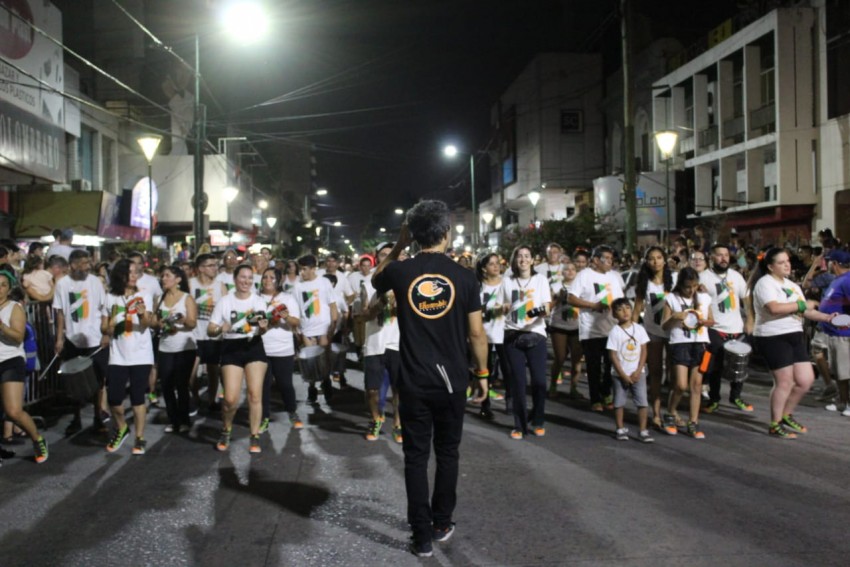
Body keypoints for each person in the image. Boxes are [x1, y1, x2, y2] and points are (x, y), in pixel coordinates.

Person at [373, 200, 488, 558]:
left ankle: (420, 535)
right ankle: (441, 522)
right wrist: (482, 374)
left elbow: (377, 276)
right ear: (445, 233)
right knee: (448, 452)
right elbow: (476, 333)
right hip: (452, 379)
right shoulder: (465, 276)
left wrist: (399, 243)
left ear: (415, 233)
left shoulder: (401, 272)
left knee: (415, 457)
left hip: (413, 378)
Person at [750, 248, 837, 438]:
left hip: (794, 334)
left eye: (787, 261)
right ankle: (775, 423)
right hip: (772, 336)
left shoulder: (792, 285)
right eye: (781, 262)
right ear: (771, 267)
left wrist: (828, 317)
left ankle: (786, 415)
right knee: (785, 382)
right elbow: (774, 308)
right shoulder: (765, 283)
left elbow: (806, 311)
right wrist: (801, 305)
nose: (787, 265)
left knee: (805, 380)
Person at [207, 264, 270, 453]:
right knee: (230, 399)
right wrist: (220, 329)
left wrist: (264, 326)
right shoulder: (224, 302)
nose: (246, 281)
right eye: (243, 277)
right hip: (231, 348)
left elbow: (263, 327)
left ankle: (254, 435)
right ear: (235, 279)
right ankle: (226, 429)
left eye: (250, 278)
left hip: (254, 346)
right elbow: (210, 330)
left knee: (255, 394)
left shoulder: (258, 301)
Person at [101, 259, 155, 455]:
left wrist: (142, 315)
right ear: (120, 276)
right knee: (114, 399)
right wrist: (110, 326)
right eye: (129, 273)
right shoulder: (110, 298)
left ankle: (139, 438)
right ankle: (122, 427)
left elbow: (148, 323)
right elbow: (104, 327)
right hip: (118, 355)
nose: (133, 276)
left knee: (137, 398)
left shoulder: (144, 295)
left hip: (141, 354)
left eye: (135, 272)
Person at [54, 249, 110, 435]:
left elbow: (104, 310)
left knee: (98, 380)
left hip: (94, 339)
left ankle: (97, 416)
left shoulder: (95, 282)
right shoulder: (62, 284)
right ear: (73, 265)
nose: (87, 267)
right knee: (74, 381)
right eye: (83, 263)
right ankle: (76, 417)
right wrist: (60, 338)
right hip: (73, 338)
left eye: (88, 263)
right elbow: (60, 312)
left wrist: (105, 334)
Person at [501, 245, 552, 438]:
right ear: (514, 261)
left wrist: (532, 313)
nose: (523, 259)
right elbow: (500, 306)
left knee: (539, 382)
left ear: (532, 260)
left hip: (535, 334)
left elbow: (546, 308)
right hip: (512, 335)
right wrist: (504, 307)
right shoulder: (507, 282)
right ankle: (519, 425)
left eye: (526, 256)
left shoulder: (540, 281)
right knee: (518, 383)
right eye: (519, 256)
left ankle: (538, 419)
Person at [568, 245, 625, 411]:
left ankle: (606, 392)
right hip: (590, 330)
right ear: (594, 260)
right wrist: (593, 305)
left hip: (612, 328)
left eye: (610, 259)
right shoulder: (584, 275)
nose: (609, 262)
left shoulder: (614, 277)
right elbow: (571, 298)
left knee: (611, 364)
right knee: (594, 366)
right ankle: (595, 399)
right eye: (605, 258)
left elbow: (620, 300)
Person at [0, 269, 48, 463]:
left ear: (9, 289)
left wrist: (1, 326)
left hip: (10, 360)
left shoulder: (14, 308)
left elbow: (19, 336)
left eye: (3, 285)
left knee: (13, 411)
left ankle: (37, 439)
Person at [700, 244, 754, 413]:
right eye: (719, 255)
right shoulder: (703, 277)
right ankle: (714, 399)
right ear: (711, 258)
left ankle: (736, 397)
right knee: (715, 365)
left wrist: (750, 319)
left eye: (726, 255)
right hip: (715, 328)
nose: (723, 258)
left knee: (740, 363)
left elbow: (746, 299)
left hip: (736, 328)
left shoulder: (736, 276)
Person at [661, 267, 713, 439]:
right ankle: (670, 413)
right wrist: (676, 316)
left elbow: (712, 321)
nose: (691, 290)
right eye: (687, 287)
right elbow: (664, 325)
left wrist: (705, 321)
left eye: (694, 286)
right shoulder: (671, 298)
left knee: (696, 386)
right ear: (680, 285)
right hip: (680, 343)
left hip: (700, 343)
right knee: (681, 385)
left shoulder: (704, 298)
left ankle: (693, 422)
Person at [632, 246, 675, 429]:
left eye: (659, 257)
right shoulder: (644, 283)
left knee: (675, 376)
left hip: (674, 333)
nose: (655, 261)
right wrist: (631, 333)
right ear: (646, 262)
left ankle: (672, 412)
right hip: (653, 332)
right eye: (651, 258)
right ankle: (656, 413)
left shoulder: (675, 280)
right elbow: (637, 309)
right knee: (656, 374)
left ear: (665, 260)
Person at [257, 267, 303, 432]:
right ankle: (264, 417)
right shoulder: (256, 298)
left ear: (278, 280)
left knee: (285, 384)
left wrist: (285, 317)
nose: (267, 280)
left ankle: (292, 412)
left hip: (283, 349)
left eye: (271, 277)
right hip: (261, 349)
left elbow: (296, 322)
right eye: (265, 277)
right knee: (264, 385)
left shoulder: (287, 298)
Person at [152, 265, 197, 433]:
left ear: (178, 279)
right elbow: (154, 322)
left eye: (167, 276)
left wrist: (182, 320)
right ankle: (173, 420)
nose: (164, 278)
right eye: (162, 275)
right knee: (166, 385)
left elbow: (193, 323)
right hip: (165, 347)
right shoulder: (159, 298)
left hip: (185, 347)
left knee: (181, 384)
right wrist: (160, 323)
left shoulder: (187, 298)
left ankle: (184, 419)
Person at [293, 254, 339, 403]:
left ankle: (326, 383)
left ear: (313, 269)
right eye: (300, 269)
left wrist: (333, 325)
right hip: (306, 330)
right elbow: (295, 309)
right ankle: (311, 388)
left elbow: (333, 305)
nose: (302, 272)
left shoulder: (324, 282)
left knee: (324, 360)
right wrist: (297, 331)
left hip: (324, 328)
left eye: (305, 269)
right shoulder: (297, 286)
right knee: (310, 361)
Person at [607, 298, 652, 442]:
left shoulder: (639, 329)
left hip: (638, 374)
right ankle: (620, 428)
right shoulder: (615, 331)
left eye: (627, 308)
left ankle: (643, 430)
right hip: (619, 374)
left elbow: (644, 350)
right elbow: (612, 355)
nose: (625, 312)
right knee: (619, 402)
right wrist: (623, 375)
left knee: (642, 402)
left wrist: (639, 370)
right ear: (614, 314)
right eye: (620, 309)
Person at [476, 253, 512, 417]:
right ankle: (485, 405)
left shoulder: (508, 283)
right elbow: (474, 311)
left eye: (498, 263)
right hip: (484, 335)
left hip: (504, 332)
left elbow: (516, 304)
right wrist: (495, 309)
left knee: (509, 370)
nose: (496, 266)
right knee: (486, 371)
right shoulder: (478, 287)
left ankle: (510, 402)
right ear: (484, 269)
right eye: (491, 264)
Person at [818, 249, 850, 414]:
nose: (828, 264)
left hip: (844, 335)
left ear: (835, 263)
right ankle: (842, 402)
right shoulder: (838, 279)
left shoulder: (847, 280)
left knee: (846, 372)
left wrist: (845, 320)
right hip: (834, 334)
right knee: (839, 372)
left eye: (829, 261)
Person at [190, 253, 223, 412]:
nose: (215, 268)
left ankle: (212, 400)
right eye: (211, 265)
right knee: (191, 372)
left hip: (213, 336)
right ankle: (195, 397)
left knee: (213, 370)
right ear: (201, 268)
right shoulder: (190, 284)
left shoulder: (220, 286)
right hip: (194, 335)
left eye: (216, 265)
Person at [548, 261, 584, 399]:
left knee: (576, 360)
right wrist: (558, 299)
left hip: (577, 326)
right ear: (561, 272)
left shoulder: (581, 286)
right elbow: (548, 306)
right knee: (560, 357)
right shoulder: (555, 286)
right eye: (567, 269)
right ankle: (553, 385)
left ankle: (574, 388)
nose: (570, 271)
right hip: (559, 326)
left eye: (573, 269)